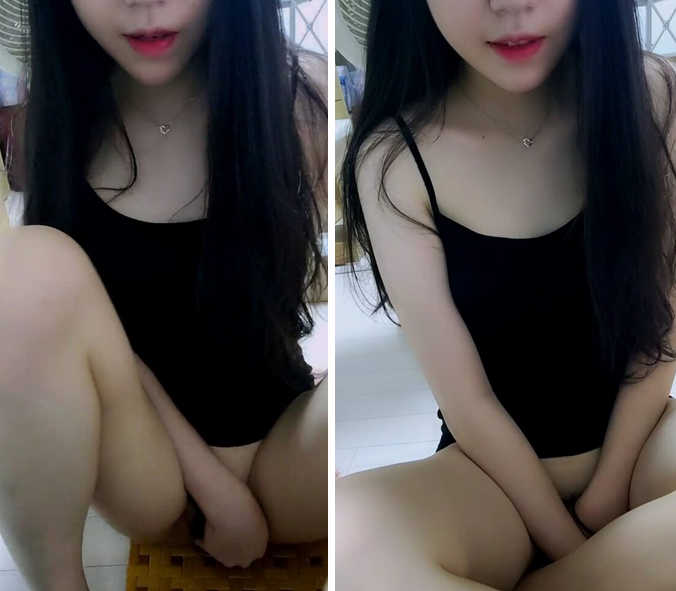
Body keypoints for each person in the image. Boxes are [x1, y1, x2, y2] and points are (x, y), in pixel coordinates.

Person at [337, 1, 676, 589]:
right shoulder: (394, 157)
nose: (509, 4)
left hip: (643, 446)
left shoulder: (653, 96)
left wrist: (606, 494)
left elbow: (664, 323)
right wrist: (567, 541)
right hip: (489, 482)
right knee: (351, 541)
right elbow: (467, 401)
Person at [0, 1, 328, 590]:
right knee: (21, 271)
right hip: (148, 468)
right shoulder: (60, 118)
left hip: (285, 445)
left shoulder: (297, 100)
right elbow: (94, 339)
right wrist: (218, 491)